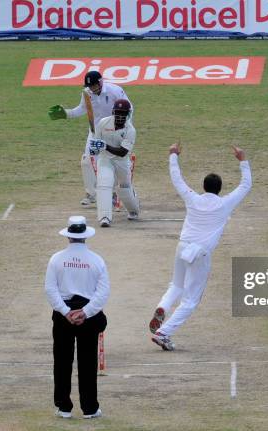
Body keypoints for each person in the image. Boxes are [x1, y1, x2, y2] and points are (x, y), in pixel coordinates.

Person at [149, 144, 252, 351]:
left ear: (203, 187)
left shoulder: (193, 198)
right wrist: (243, 160)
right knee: (190, 300)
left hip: (182, 246)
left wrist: (173, 155)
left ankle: (163, 307)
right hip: (200, 253)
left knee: (176, 285)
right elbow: (245, 185)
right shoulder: (225, 204)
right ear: (219, 189)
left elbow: (177, 179)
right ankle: (163, 332)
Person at [45, 216, 109, 419]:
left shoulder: (56, 259)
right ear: (85, 237)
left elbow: (50, 289)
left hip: (64, 316)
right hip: (87, 316)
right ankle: (89, 408)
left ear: (69, 237)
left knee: (62, 361)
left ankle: (64, 407)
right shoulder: (96, 260)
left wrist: (65, 312)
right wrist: (86, 313)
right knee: (87, 362)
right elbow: (103, 292)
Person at [48, 71, 133, 206]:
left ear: (100, 82)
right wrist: (66, 113)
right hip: (95, 132)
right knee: (87, 161)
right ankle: (91, 194)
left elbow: (129, 109)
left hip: (114, 132)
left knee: (113, 162)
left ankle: (114, 194)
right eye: (89, 86)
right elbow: (82, 109)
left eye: (93, 85)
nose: (91, 88)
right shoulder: (87, 93)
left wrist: (124, 130)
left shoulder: (115, 90)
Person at [89, 99, 140, 227]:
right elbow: (96, 144)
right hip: (105, 159)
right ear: (113, 112)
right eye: (117, 113)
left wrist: (104, 146)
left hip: (121, 161)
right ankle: (104, 217)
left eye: (123, 113)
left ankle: (133, 210)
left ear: (128, 115)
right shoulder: (103, 123)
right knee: (104, 184)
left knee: (124, 187)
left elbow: (123, 152)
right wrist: (94, 148)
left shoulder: (130, 130)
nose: (120, 116)